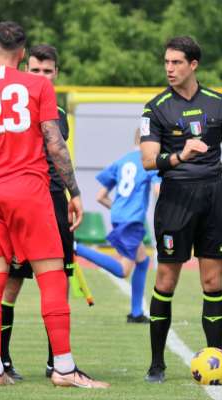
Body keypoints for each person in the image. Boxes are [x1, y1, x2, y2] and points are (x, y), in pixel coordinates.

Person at [0, 21, 108, 389]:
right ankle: (64, 369)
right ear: (23, 54)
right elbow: (54, 143)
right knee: (52, 277)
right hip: (30, 193)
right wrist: (75, 192)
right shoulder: (38, 86)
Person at [139, 36, 222, 383]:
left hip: (214, 197)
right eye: (166, 62)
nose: (169, 69)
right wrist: (180, 155)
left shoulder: (219, 103)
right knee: (166, 280)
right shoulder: (155, 108)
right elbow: (148, 161)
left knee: (213, 282)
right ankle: (157, 364)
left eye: (176, 63)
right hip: (175, 199)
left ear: (193, 65)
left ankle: (216, 358)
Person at [0, 44, 75, 381]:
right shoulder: (11, 108)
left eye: (48, 71)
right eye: (35, 71)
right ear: (24, 71)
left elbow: (58, 157)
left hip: (55, 201)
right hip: (23, 201)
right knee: (11, 284)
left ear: (56, 73)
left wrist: (73, 195)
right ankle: (1, 361)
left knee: (59, 283)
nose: (42, 77)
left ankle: (54, 362)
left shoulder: (58, 112)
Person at [75, 129, 160, 323]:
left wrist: (119, 209)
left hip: (120, 217)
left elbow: (100, 196)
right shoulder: (149, 162)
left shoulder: (121, 161)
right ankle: (77, 248)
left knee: (143, 261)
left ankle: (136, 313)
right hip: (132, 221)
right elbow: (158, 191)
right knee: (123, 270)